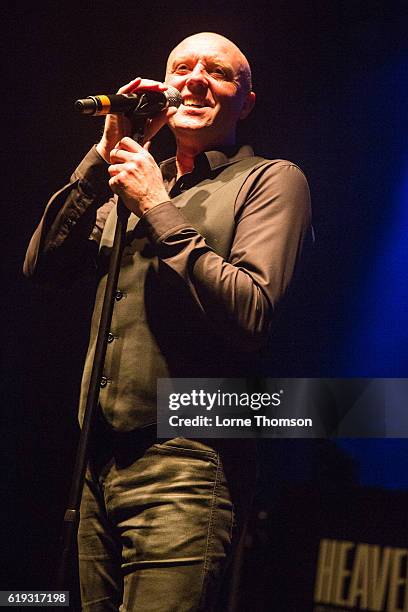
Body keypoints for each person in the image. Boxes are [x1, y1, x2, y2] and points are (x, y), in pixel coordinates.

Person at [24, 32, 311, 611]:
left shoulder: (270, 181)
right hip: (95, 461)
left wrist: (158, 209)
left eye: (219, 72)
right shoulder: (132, 175)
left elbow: (252, 312)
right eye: (183, 67)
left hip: (186, 463)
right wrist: (106, 152)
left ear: (245, 102)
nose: (196, 79)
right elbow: (43, 266)